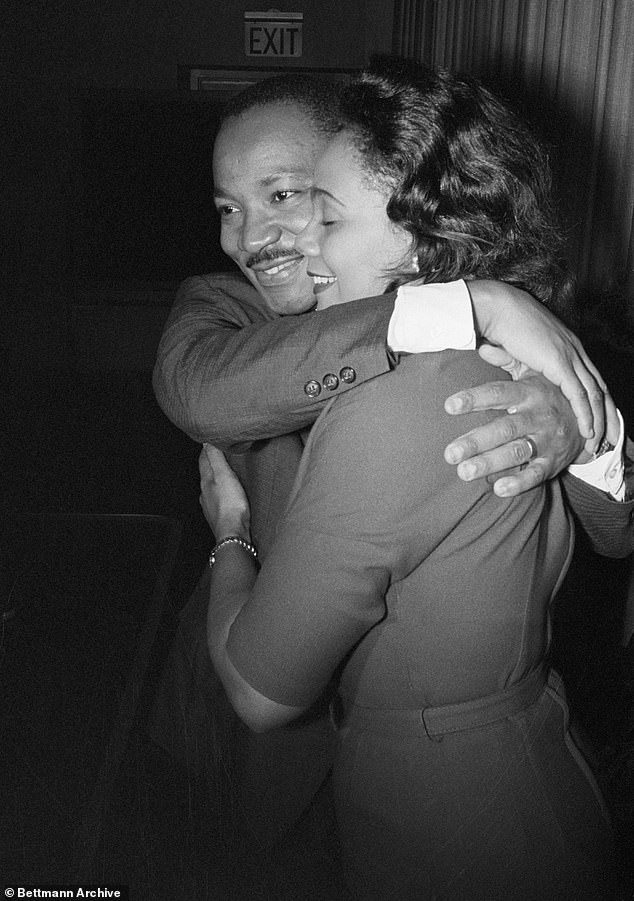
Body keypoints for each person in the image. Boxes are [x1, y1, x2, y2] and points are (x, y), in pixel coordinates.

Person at [149, 72, 631, 861]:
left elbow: (612, 529)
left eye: (285, 196)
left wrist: (575, 427)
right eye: (227, 208)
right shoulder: (221, 306)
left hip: (446, 773)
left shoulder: (502, 348)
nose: (255, 238)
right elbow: (198, 390)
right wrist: (463, 304)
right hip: (274, 746)